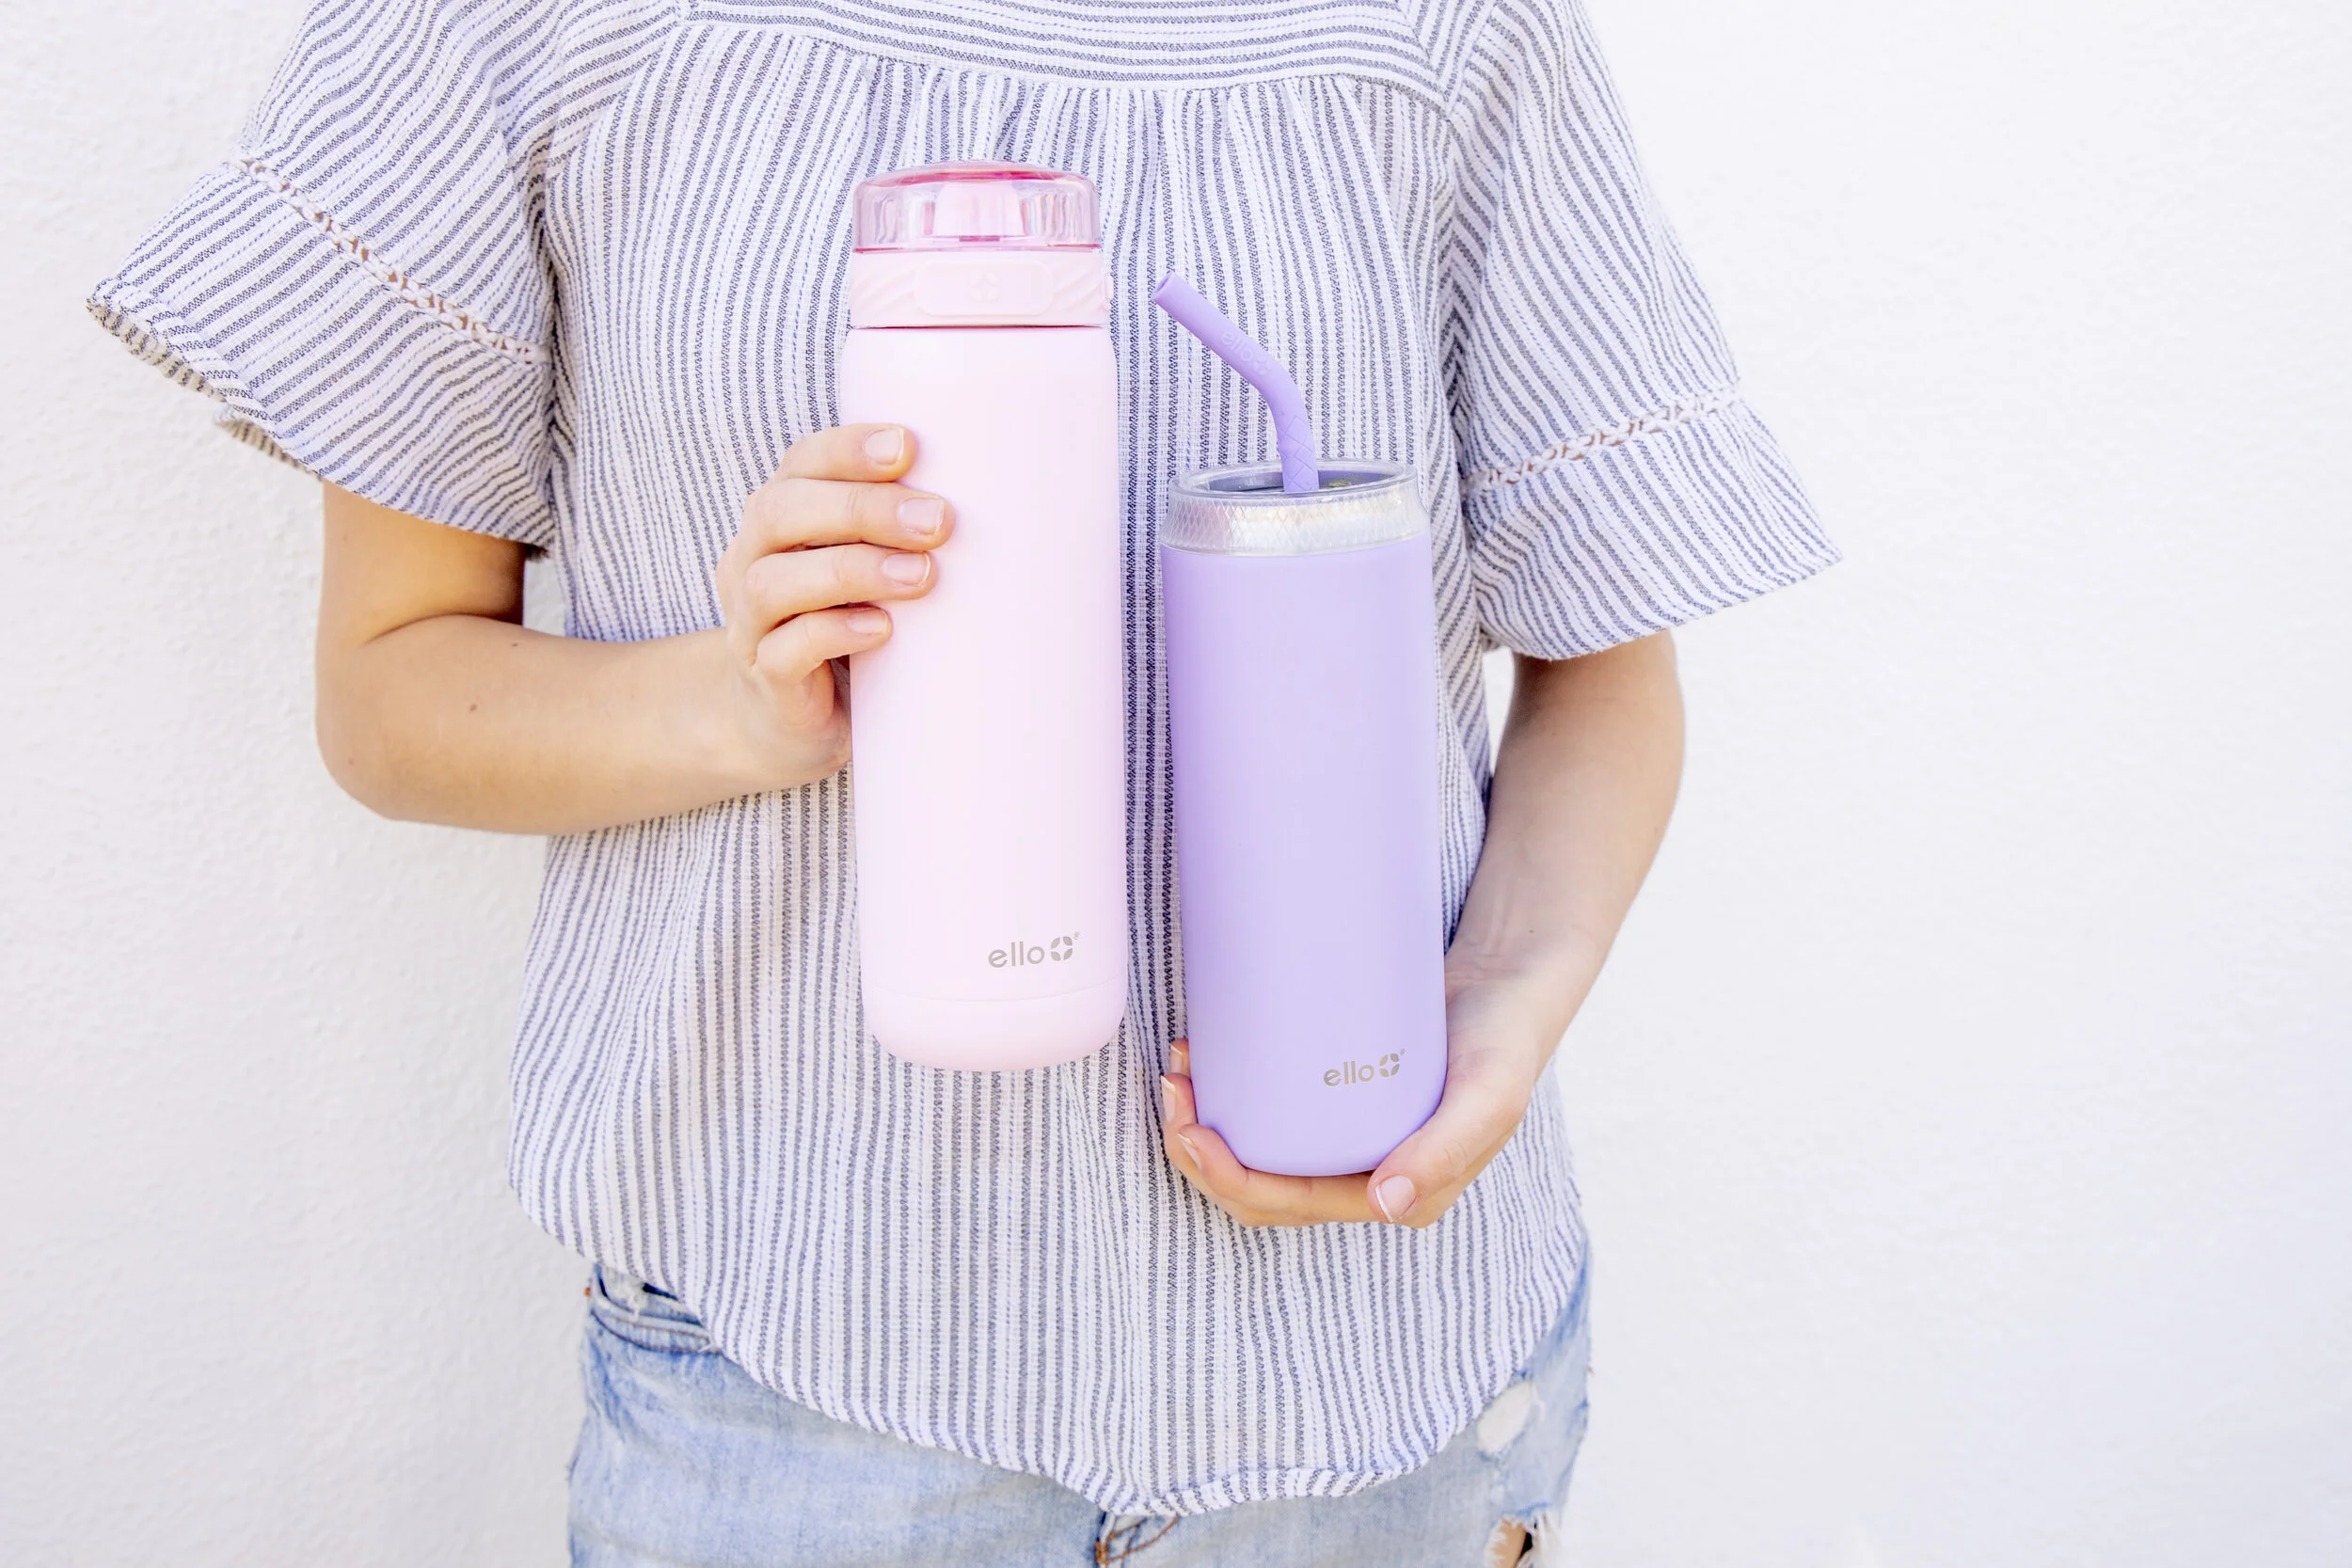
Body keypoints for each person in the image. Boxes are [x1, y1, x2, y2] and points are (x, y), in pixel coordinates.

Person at [90, 0, 1836, 1560]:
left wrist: (1504, 1011)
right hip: (803, 1406)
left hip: (1385, 1396)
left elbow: (1604, 656)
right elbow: (391, 692)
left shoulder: (1448, 27)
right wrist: (748, 707)